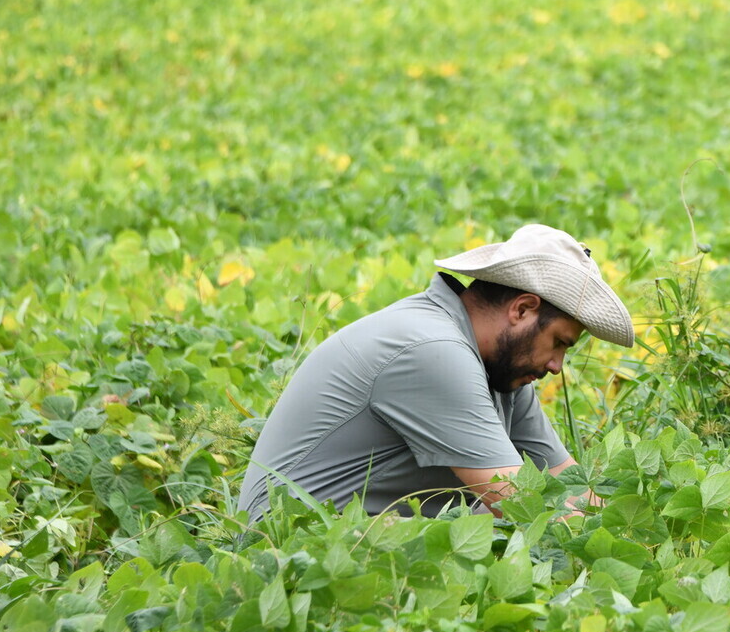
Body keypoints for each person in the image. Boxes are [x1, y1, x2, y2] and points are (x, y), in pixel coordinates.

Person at [237, 223, 634, 523]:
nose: (556, 366)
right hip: (288, 549)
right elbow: (523, 503)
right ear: (522, 309)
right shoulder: (432, 351)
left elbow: (573, 487)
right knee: (513, 524)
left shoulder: (500, 369)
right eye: (560, 343)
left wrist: (628, 521)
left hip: (365, 542)